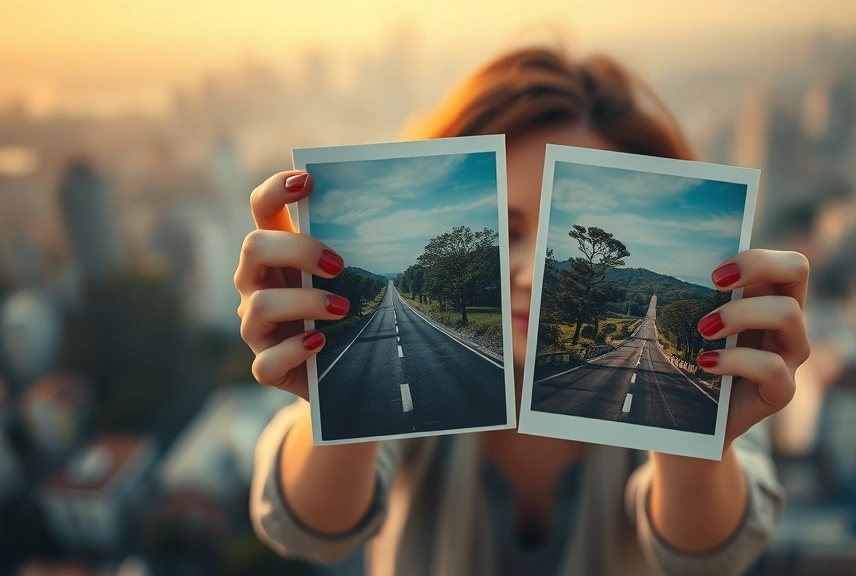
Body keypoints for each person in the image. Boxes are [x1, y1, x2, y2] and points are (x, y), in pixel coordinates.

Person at [236, 47, 810, 576]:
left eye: (559, 226)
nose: (532, 270)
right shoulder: (427, 401)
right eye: (506, 230)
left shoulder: (726, 373)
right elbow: (312, 530)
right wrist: (341, 392)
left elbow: (711, 554)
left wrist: (696, 436)